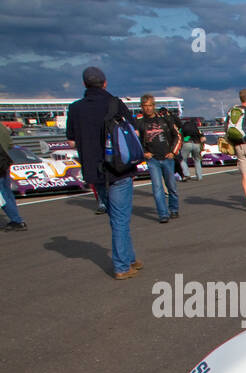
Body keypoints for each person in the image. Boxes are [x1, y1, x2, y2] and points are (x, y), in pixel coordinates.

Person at [66, 66, 139, 278]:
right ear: (105, 83)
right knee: (121, 218)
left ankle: (129, 257)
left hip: (94, 170)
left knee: (115, 216)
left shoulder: (75, 108)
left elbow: (71, 140)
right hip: (119, 167)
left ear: (84, 84)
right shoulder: (114, 103)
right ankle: (122, 265)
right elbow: (132, 131)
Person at [135, 94, 181, 222]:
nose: (148, 108)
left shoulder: (165, 120)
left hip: (167, 157)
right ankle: (163, 214)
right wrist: (144, 152)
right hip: (152, 159)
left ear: (154, 106)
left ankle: (174, 209)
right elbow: (135, 140)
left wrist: (173, 152)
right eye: (145, 106)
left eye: (150, 106)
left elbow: (177, 135)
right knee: (157, 188)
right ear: (142, 107)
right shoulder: (139, 123)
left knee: (171, 186)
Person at [0, 122, 27, 231]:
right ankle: (16, 218)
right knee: (7, 192)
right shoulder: (1, 126)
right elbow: (10, 144)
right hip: (4, 161)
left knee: (2, 195)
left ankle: (17, 220)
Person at [179, 113, 204, 180]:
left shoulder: (183, 127)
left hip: (187, 143)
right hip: (196, 143)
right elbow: (200, 135)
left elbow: (179, 135)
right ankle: (199, 176)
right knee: (197, 160)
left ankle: (187, 174)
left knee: (183, 160)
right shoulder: (195, 127)